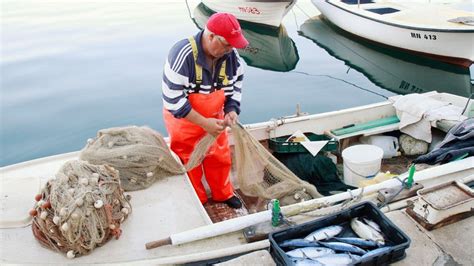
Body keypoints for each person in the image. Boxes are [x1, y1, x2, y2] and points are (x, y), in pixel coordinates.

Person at [161, 13, 248, 209]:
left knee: (219, 156)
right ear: (211, 37)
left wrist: (231, 109)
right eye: (227, 44)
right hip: (184, 120)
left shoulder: (231, 57)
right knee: (188, 159)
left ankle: (223, 193)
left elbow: (236, 86)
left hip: (215, 117)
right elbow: (173, 101)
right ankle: (197, 200)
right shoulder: (182, 55)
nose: (230, 49)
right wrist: (204, 123)